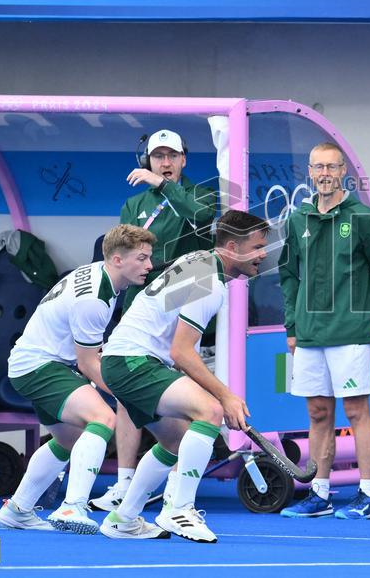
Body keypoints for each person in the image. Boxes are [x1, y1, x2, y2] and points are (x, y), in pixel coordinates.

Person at [98, 209, 269, 542]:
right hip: (133, 361)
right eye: (258, 246)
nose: (263, 254)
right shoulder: (209, 282)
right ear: (233, 247)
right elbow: (182, 352)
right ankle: (179, 508)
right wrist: (227, 396)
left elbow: (174, 351)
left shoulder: (198, 260)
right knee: (210, 411)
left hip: (125, 360)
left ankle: (124, 518)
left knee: (175, 441)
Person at [0, 225, 155, 534]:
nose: (149, 266)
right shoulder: (94, 299)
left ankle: (17, 509)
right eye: (142, 258)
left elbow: (92, 352)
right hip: (41, 366)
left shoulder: (98, 272)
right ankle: (72, 506)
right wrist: (127, 392)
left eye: (149, 258)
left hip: (36, 362)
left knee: (69, 440)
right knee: (104, 419)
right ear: (117, 259)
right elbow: (88, 364)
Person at [92, 128, 218, 512]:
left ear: (183, 160)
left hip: (183, 303)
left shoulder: (199, 194)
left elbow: (202, 218)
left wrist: (163, 187)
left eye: (172, 156)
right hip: (141, 307)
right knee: (129, 397)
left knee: (192, 399)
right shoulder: (134, 203)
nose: (164, 163)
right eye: (157, 156)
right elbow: (125, 254)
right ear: (147, 159)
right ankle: (126, 483)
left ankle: (179, 490)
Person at [277, 142, 370, 520]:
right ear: (310, 173)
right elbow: (288, 276)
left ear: (343, 170)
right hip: (310, 334)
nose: (325, 174)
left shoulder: (364, 218)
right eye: (318, 167)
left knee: (356, 410)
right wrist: (292, 326)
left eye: (332, 167)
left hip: (351, 331)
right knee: (316, 413)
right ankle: (319, 493)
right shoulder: (297, 219)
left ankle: (368, 495)